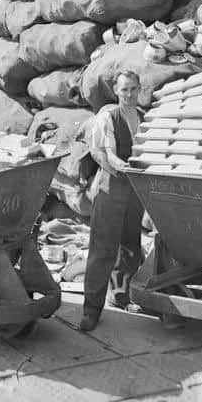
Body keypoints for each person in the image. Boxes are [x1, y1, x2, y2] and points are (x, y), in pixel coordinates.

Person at [81, 70, 146, 331]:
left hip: (135, 190)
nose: (129, 95)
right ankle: (91, 309)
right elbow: (98, 152)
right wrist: (116, 165)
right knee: (103, 248)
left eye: (133, 89)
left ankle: (122, 294)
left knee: (130, 244)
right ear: (116, 92)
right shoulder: (108, 116)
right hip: (110, 187)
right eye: (124, 90)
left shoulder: (143, 118)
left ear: (139, 89)